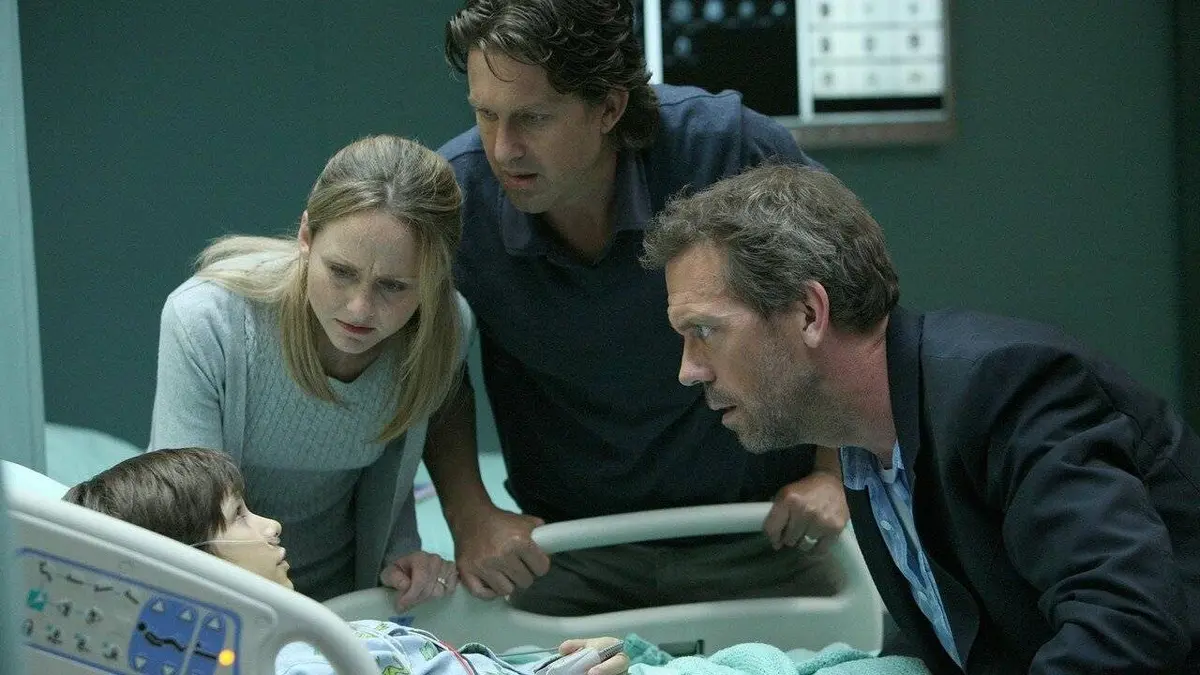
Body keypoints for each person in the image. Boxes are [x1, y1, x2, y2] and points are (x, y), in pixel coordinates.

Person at [639, 162, 1200, 673]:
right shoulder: (865, 446)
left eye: (704, 331)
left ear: (809, 313)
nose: (689, 371)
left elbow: (1128, 625)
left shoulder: (1003, 388)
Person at [426, 0, 848, 616]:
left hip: (767, 532)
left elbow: (848, 291)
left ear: (609, 108)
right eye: (485, 115)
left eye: (533, 118)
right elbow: (427, 367)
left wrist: (835, 471)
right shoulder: (457, 198)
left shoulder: (728, 150)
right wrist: (469, 514)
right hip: (567, 548)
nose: (504, 148)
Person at [148, 134, 478, 608]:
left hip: (348, 605)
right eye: (341, 272)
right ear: (305, 236)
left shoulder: (445, 329)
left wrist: (403, 556)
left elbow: (390, 481)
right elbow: (190, 523)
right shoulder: (208, 320)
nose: (360, 309)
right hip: (222, 601)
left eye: (394, 286)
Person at [64, 448, 629, 675]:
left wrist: (548, 667)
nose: (271, 525)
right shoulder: (294, 665)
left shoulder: (304, 643)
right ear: (185, 567)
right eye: (238, 516)